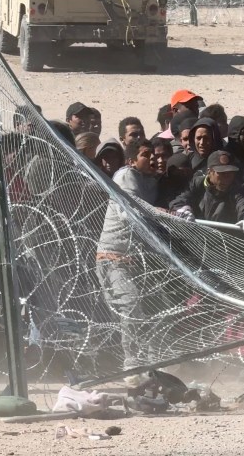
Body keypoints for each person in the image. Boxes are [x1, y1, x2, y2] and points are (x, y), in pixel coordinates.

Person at [95, 138, 158, 375]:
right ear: (131, 160)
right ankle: (133, 366)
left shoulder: (146, 180)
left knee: (149, 310)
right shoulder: (126, 174)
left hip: (131, 260)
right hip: (113, 260)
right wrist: (161, 215)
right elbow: (128, 211)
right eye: (145, 154)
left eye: (152, 154)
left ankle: (149, 363)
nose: (151, 158)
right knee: (131, 309)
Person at [170, 150, 244, 237]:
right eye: (221, 173)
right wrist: (184, 210)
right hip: (196, 238)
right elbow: (179, 200)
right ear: (209, 172)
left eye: (230, 173)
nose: (226, 178)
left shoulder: (237, 190)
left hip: (224, 244)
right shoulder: (197, 184)